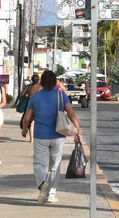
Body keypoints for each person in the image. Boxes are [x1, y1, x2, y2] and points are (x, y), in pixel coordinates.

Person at [22, 70, 82, 205]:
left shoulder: (35, 97)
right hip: (58, 135)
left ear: (41, 82)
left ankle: (43, 184)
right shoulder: (61, 96)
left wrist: (25, 129)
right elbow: (72, 114)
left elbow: (27, 117)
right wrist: (78, 131)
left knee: (39, 164)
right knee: (54, 165)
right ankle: (52, 193)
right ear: (56, 82)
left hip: (40, 136)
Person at [20, 74, 41, 142]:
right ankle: (34, 138)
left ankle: (31, 139)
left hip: (29, 105)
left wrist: (28, 95)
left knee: (31, 122)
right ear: (38, 80)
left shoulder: (28, 87)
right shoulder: (41, 87)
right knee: (34, 122)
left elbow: (22, 95)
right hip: (39, 106)